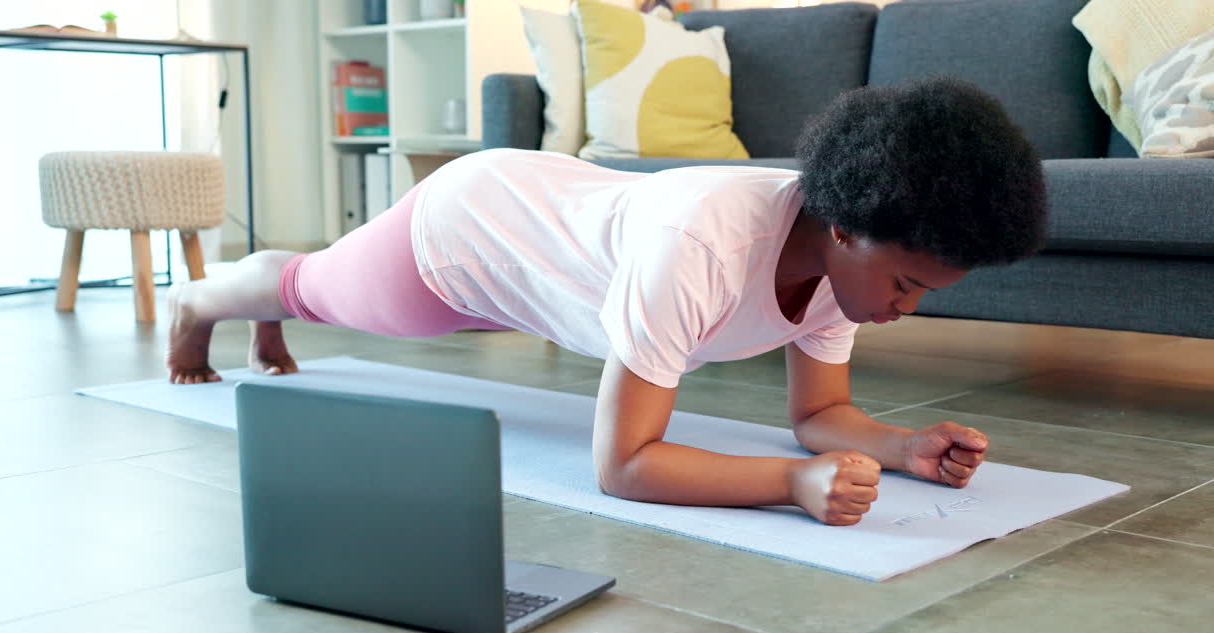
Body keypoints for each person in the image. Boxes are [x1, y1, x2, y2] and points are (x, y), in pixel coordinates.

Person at [166, 76, 1046, 526]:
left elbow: (821, 410)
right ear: (849, 227)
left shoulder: (840, 271)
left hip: (561, 253)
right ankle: (202, 301)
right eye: (906, 285)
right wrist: (791, 484)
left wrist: (900, 446)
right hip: (470, 237)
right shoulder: (704, 244)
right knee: (311, 288)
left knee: (314, 289)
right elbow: (623, 465)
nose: (907, 310)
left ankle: (262, 295)